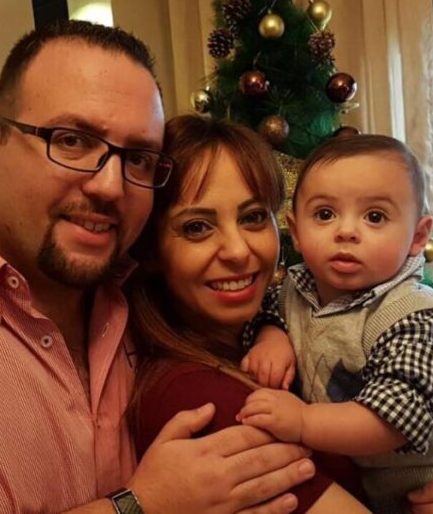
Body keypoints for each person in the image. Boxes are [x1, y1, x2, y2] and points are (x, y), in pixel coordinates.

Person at [0, 21, 317, 514]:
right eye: (72, 140)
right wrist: (141, 507)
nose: (109, 186)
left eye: (138, 158)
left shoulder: (138, 293)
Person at [237, 134, 433, 513]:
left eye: (375, 217)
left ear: (417, 237)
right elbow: (265, 311)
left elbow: (393, 420)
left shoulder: (421, 318)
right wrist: (271, 336)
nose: (346, 231)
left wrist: (302, 421)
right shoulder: (293, 291)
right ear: (296, 232)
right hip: (384, 492)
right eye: (325, 214)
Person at [126, 115, 371, 513]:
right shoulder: (197, 399)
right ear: (150, 250)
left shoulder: (304, 329)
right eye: (197, 227)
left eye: (253, 217)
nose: (238, 251)